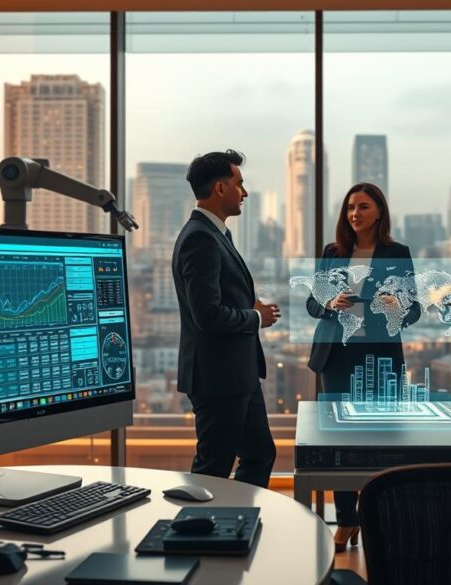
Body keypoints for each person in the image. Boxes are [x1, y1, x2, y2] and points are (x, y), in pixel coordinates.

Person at [306, 182, 420, 551]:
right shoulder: (333, 252)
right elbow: (312, 302)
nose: (355, 214)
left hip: (379, 357)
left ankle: (378, 517)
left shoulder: (397, 252)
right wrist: (329, 304)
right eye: (351, 207)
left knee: (380, 440)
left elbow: (414, 309)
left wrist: (394, 307)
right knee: (339, 442)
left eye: (363, 207)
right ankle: (347, 520)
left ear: (379, 212)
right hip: (336, 358)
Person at [171, 149, 280, 488]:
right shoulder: (200, 238)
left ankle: (237, 528)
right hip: (218, 379)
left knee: (260, 454)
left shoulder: (216, 234)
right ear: (220, 188)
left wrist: (249, 305)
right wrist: (255, 317)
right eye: (239, 184)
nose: (244, 192)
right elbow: (207, 314)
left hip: (238, 375)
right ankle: (195, 537)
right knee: (212, 470)